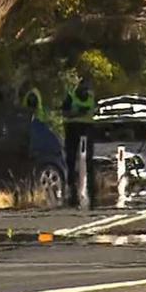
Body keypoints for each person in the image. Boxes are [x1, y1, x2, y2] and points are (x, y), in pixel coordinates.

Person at [61, 78, 96, 206]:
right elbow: (64, 112)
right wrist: (76, 113)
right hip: (72, 130)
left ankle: (92, 193)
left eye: (88, 88)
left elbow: (95, 110)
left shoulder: (91, 97)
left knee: (89, 163)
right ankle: (72, 193)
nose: (86, 91)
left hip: (87, 130)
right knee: (71, 161)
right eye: (84, 88)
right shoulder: (70, 97)